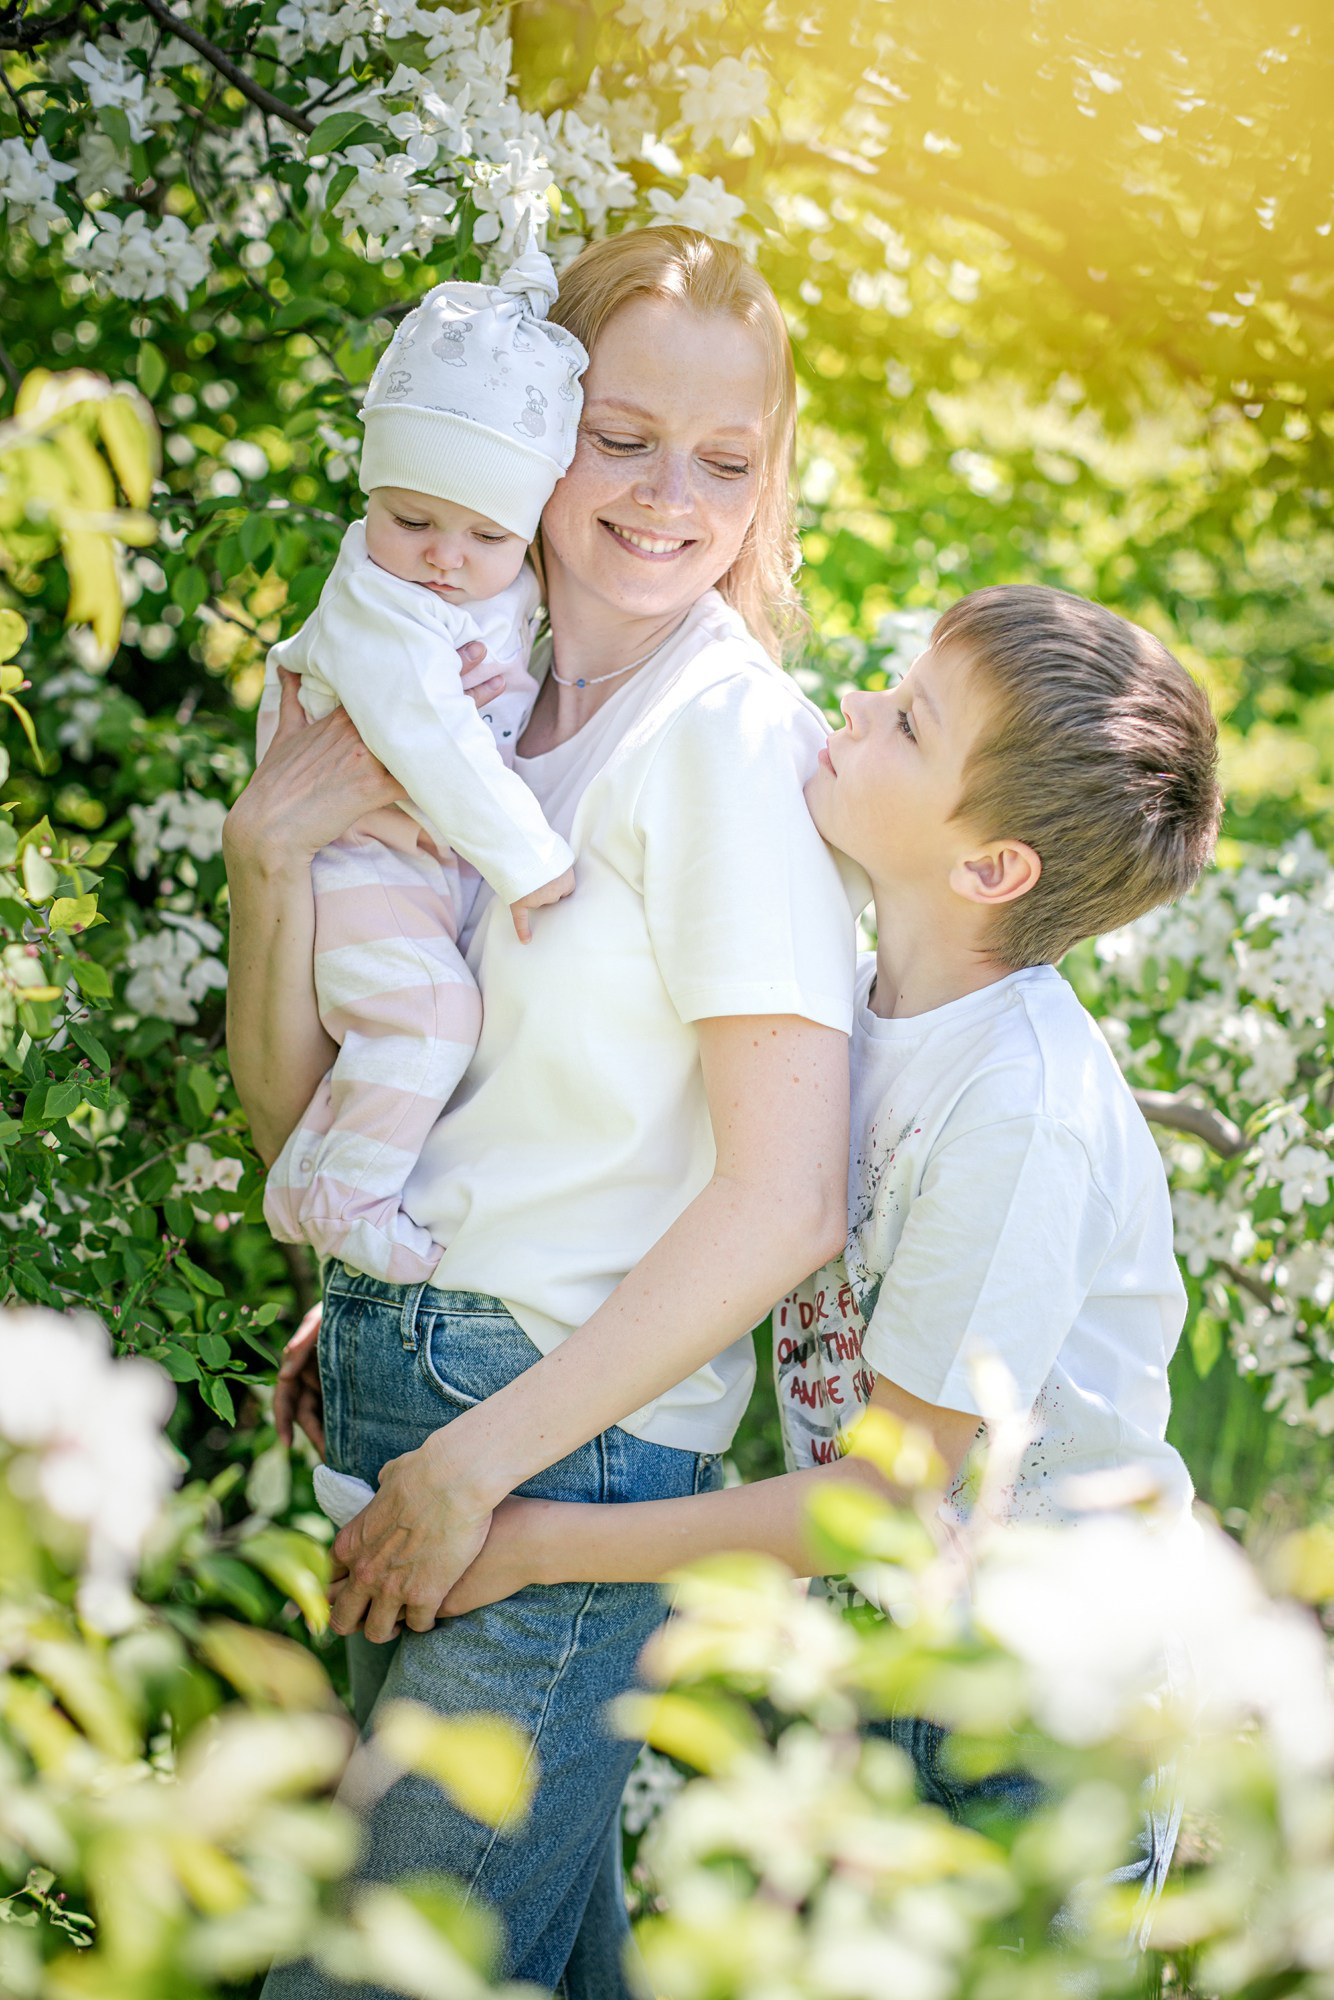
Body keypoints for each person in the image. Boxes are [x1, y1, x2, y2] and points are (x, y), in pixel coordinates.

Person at [225, 227, 865, 2000]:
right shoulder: (468, 703)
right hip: (415, 1379)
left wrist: (470, 1466)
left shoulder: (719, 739)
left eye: (723, 462)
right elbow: (302, 1124)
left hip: (544, 1451)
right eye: (621, 433)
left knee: (377, 1976)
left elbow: (781, 1198)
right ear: (527, 427)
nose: (668, 497)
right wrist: (264, 865)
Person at [436, 586, 1221, 1856]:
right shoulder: (849, 1006)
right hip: (900, 1654)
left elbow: (884, 1501)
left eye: (908, 721)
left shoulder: (1019, 1111)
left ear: (988, 866)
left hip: (1043, 1712)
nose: (856, 705)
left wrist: (540, 1543)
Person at [257, 246, 584, 1289]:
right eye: (411, 520)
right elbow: (428, 736)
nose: (445, 554)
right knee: (429, 1018)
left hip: (412, 867)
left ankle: (316, 1167)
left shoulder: (494, 586)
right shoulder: (377, 608)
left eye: (485, 533)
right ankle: (339, 1203)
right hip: (351, 865)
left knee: (416, 1028)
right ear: (369, 500)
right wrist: (528, 857)